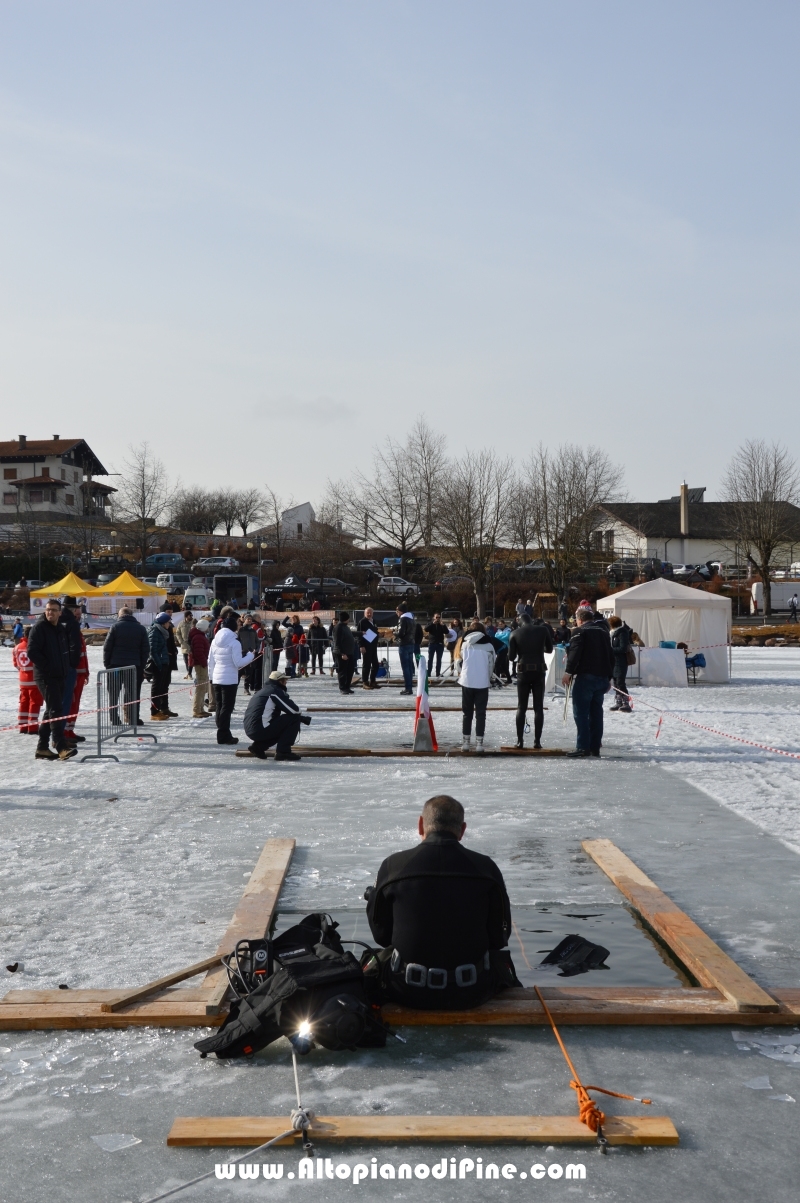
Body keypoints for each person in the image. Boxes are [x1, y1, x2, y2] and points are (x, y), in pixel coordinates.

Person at [365, 794, 517, 1011]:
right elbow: (499, 938)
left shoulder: (393, 866)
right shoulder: (486, 868)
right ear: (462, 830)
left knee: (372, 961)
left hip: (406, 990)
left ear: (421, 825)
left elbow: (381, 936)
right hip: (472, 991)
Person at [26, 598, 76, 760]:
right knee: (55, 710)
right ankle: (60, 744)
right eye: (48, 609)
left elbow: (64, 651)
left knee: (51, 710)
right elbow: (32, 652)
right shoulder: (39, 628)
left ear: (60, 613)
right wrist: (49, 668)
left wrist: (65, 668)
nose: (50, 612)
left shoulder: (59, 629)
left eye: (54, 610)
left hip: (60, 675)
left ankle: (42, 747)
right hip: (46, 676)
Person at [561, 605, 614, 758]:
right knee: (596, 713)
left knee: (581, 713)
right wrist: (609, 677)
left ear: (581, 620)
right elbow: (611, 656)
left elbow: (575, 652)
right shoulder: (604, 632)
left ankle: (583, 747)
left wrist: (568, 672)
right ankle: (595, 747)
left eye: (576, 621)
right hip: (602, 677)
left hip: (586, 677)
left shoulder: (580, 631)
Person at [243, 669, 312, 760]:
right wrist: (300, 718)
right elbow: (295, 710)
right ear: (280, 681)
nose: (286, 683)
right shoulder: (274, 691)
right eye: (285, 680)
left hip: (251, 728)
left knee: (280, 724)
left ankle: (258, 747)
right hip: (259, 728)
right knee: (293, 719)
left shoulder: (263, 690)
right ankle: (283, 752)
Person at [208, 609, 254, 744]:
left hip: (217, 677)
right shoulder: (234, 642)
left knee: (220, 706)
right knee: (226, 708)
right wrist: (250, 656)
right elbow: (238, 663)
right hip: (229, 679)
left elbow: (210, 661)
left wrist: (211, 677)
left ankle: (222, 731)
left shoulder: (215, 641)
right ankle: (223, 734)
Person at [508, 612, 552, 749]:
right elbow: (549, 649)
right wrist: (538, 648)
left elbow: (511, 657)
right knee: (538, 707)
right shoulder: (543, 630)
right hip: (539, 670)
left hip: (523, 671)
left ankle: (520, 741)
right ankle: (537, 741)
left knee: (521, 707)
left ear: (519, 621)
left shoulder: (514, 633)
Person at [103, 606, 150, 725]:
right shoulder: (140, 628)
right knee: (133, 693)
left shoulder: (115, 627)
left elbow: (107, 647)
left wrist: (107, 663)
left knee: (114, 693)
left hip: (115, 665)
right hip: (134, 666)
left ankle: (114, 718)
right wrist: (141, 665)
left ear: (120, 615)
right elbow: (145, 650)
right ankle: (133, 718)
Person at [457, 619, 496, 754]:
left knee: (467, 713)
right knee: (481, 714)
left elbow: (458, 661)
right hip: (482, 683)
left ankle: (466, 742)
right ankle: (479, 743)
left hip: (467, 681)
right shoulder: (489, 645)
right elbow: (491, 664)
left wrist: (461, 673)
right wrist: (488, 676)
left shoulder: (465, 644)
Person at [63, 600, 89, 743]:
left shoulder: (75, 628)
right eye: (78, 612)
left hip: (79, 671)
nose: (80, 615)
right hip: (74, 671)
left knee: (75, 703)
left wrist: (86, 672)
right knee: (70, 703)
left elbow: (82, 653)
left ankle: (69, 729)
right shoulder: (70, 627)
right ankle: (64, 731)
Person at [59, 596, 83, 734]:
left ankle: (59, 734)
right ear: (74, 609)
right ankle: (61, 735)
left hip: (55, 665)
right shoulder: (72, 623)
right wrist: (73, 664)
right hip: (68, 667)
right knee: (67, 701)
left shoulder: (57, 621)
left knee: (57, 703)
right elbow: (75, 646)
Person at [608, 615, 639, 713]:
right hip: (614, 662)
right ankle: (619, 701)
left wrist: (610, 650)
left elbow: (623, 648)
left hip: (621, 662)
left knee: (621, 683)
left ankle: (626, 703)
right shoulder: (613, 634)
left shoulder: (622, 633)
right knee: (616, 682)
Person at [13, 630, 42, 734]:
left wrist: (23, 670)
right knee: (34, 703)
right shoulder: (35, 647)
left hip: (22, 680)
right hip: (34, 680)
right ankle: (33, 727)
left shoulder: (17, 647)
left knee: (23, 702)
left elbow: (16, 664)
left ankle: (22, 725)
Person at [147, 612, 174, 721]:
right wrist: (159, 664)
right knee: (156, 688)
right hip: (158, 664)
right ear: (163, 623)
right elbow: (152, 650)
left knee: (162, 687)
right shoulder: (154, 631)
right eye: (168, 622)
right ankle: (154, 711)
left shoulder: (161, 631)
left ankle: (160, 709)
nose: (169, 624)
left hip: (163, 662)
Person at [189, 618, 213, 717]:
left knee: (203, 688)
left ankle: (200, 708)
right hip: (200, 665)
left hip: (202, 664)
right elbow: (198, 653)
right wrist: (204, 663)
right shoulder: (198, 637)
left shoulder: (200, 635)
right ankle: (196, 710)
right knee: (200, 688)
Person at [333, 611, 357, 694]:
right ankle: (342, 688)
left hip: (349, 652)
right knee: (343, 671)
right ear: (346, 619)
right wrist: (342, 653)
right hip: (342, 653)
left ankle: (347, 686)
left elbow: (350, 634)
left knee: (350, 670)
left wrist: (361, 633)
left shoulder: (345, 627)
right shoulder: (338, 627)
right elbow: (337, 642)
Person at [394, 605, 416, 695]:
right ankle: (409, 685)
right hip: (411, 643)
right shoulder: (412, 618)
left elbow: (401, 633)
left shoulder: (403, 619)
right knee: (410, 666)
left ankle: (408, 687)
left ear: (401, 611)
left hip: (404, 644)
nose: (396, 613)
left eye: (397, 611)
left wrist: (394, 632)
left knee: (405, 667)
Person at [358, 607, 380, 689]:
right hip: (366, 646)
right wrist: (361, 646)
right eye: (368, 613)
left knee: (375, 664)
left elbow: (375, 630)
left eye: (370, 612)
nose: (369, 614)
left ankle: (372, 681)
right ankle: (365, 681)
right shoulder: (362, 622)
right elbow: (359, 635)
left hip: (373, 646)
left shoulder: (374, 621)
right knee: (366, 664)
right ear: (365, 613)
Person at [237, 612, 259, 694]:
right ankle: (235, 686)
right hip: (242, 653)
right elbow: (237, 640)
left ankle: (246, 688)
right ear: (244, 620)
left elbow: (257, 641)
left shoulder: (253, 631)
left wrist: (256, 648)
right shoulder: (240, 630)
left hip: (251, 653)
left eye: (250, 619)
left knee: (249, 671)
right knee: (240, 671)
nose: (249, 620)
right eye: (247, 619)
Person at [424, 613, 447, 678]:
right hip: (432, 643)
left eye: (439, 617)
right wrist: (432, 624)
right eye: (436, 617)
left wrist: (443, 625)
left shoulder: (441, 625)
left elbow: (447, 632)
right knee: (430, 659)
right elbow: (426, 629)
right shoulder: (430, 623)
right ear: (434, 617)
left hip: (440, 644)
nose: (438, 619)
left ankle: (438, 672)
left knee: (439, 659)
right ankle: (429, 672)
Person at [175, 608, 195, 679]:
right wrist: (180, 641)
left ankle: (189, 673)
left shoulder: (194, 622)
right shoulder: (181, 623)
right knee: (186, 660)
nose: (191, 617)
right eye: (190, 615)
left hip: (191, 643)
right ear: (186, 616)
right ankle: (188, 673)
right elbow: (177, 633)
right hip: (184, 643)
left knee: (191, 659)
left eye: (191, 615)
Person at [493, 619, 512, 683]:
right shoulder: (498, 631)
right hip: (500, 648)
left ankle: (497, 679)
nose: (500, 625)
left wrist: (500, 637)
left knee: (497, 664)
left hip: (504, 648)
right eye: (499, 624)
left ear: (504, 624)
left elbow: (507, 636)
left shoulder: (508, 630)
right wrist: (502, 636)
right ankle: (509, 679)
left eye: (501, 624)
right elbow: (496, 637)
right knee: (503, 665)